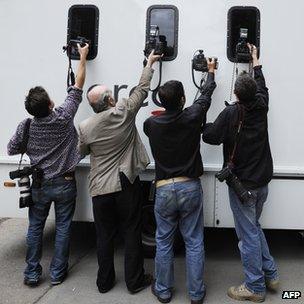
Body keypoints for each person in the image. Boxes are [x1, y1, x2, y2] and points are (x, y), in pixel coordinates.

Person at [78, 51, 161, 294]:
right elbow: (142, 89)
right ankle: (134, 282)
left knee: (104, 236)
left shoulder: (85, 127)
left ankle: (104, 283)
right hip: (126, 183)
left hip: (100, 187)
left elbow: (81, 152)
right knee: (132, 231)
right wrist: (149, 63)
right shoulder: (123, 111)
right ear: (110, 101)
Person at [7, 44, 89, 286]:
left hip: (39, 184)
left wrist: (31, 148)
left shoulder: (27, 126)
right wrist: (82, 56)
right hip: (65, 183)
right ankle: (56, 274)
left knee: (35, 228)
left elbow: (11, 149)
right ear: (51, 103)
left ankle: (32, 274)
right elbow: (79, 84)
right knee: (63, 228)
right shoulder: (64, 117)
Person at [203, 44, 279, 302]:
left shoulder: (231, 112)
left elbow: (210, 137)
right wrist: (256, 60)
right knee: (254, 228)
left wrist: (203, 119)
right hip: (262, 182)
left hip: (242, 187)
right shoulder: (261, 105)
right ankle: (271, 274)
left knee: (247, 237)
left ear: (235, 93)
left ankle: (255, 288)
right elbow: (262, 85)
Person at [144, 59, 217, 304]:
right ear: (183, 100)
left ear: (160, 103)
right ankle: (196, 294)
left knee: (164, 241)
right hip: (190, 185)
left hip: (164, 188)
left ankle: (163, 291)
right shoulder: (192, 117)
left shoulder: (151, 124)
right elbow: (205, 96)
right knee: (194, 241)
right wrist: (210, 72)